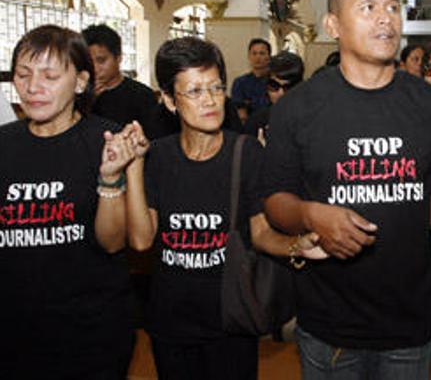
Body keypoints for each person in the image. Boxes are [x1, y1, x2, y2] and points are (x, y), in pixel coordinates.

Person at [262, 0, 431, 379]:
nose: (386, 18)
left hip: (410, 319)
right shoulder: (298, 108)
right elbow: (275, 200)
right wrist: (312, 215)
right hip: (330, 322)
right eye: (368, 8)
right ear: (333, 25)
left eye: (394, 7)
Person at [123, 37, 325, 380]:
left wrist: (296, 246)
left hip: (231, 320)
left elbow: (260, 233)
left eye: (216, 88)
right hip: (170, 321)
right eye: (195, 91)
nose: (211, 100)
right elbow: (142, 240)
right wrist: (133, 166)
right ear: (170, 100)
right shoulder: (157, 156)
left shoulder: (245, 153)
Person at [0, 25, 137, 378]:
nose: (33, 88)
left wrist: (109, 178)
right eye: (23, 74)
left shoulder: (105, 140)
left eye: (49, 76)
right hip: (14, 331)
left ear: (79, 82)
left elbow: (113, 243)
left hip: (90, 333)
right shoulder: (5, 144)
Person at [82, 24, 157, 130]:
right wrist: (88, 100)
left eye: (101, 61)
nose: (94, 68)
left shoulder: (143, 95)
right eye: (89, 61)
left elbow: (153, 141)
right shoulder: (78, 94)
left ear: (118, 58)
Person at [244, 51, 305, 144]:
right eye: (274, 86)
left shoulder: (311, 121)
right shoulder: (256, 122)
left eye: (288, 87)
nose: (281, 93)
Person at [230, 38, 271, 113]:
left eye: (262, 53)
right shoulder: (240, 83)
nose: (258, 57)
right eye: (254, 53)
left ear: (269, 57)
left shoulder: (274, 82)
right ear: (249, 56)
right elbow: (239, 112)